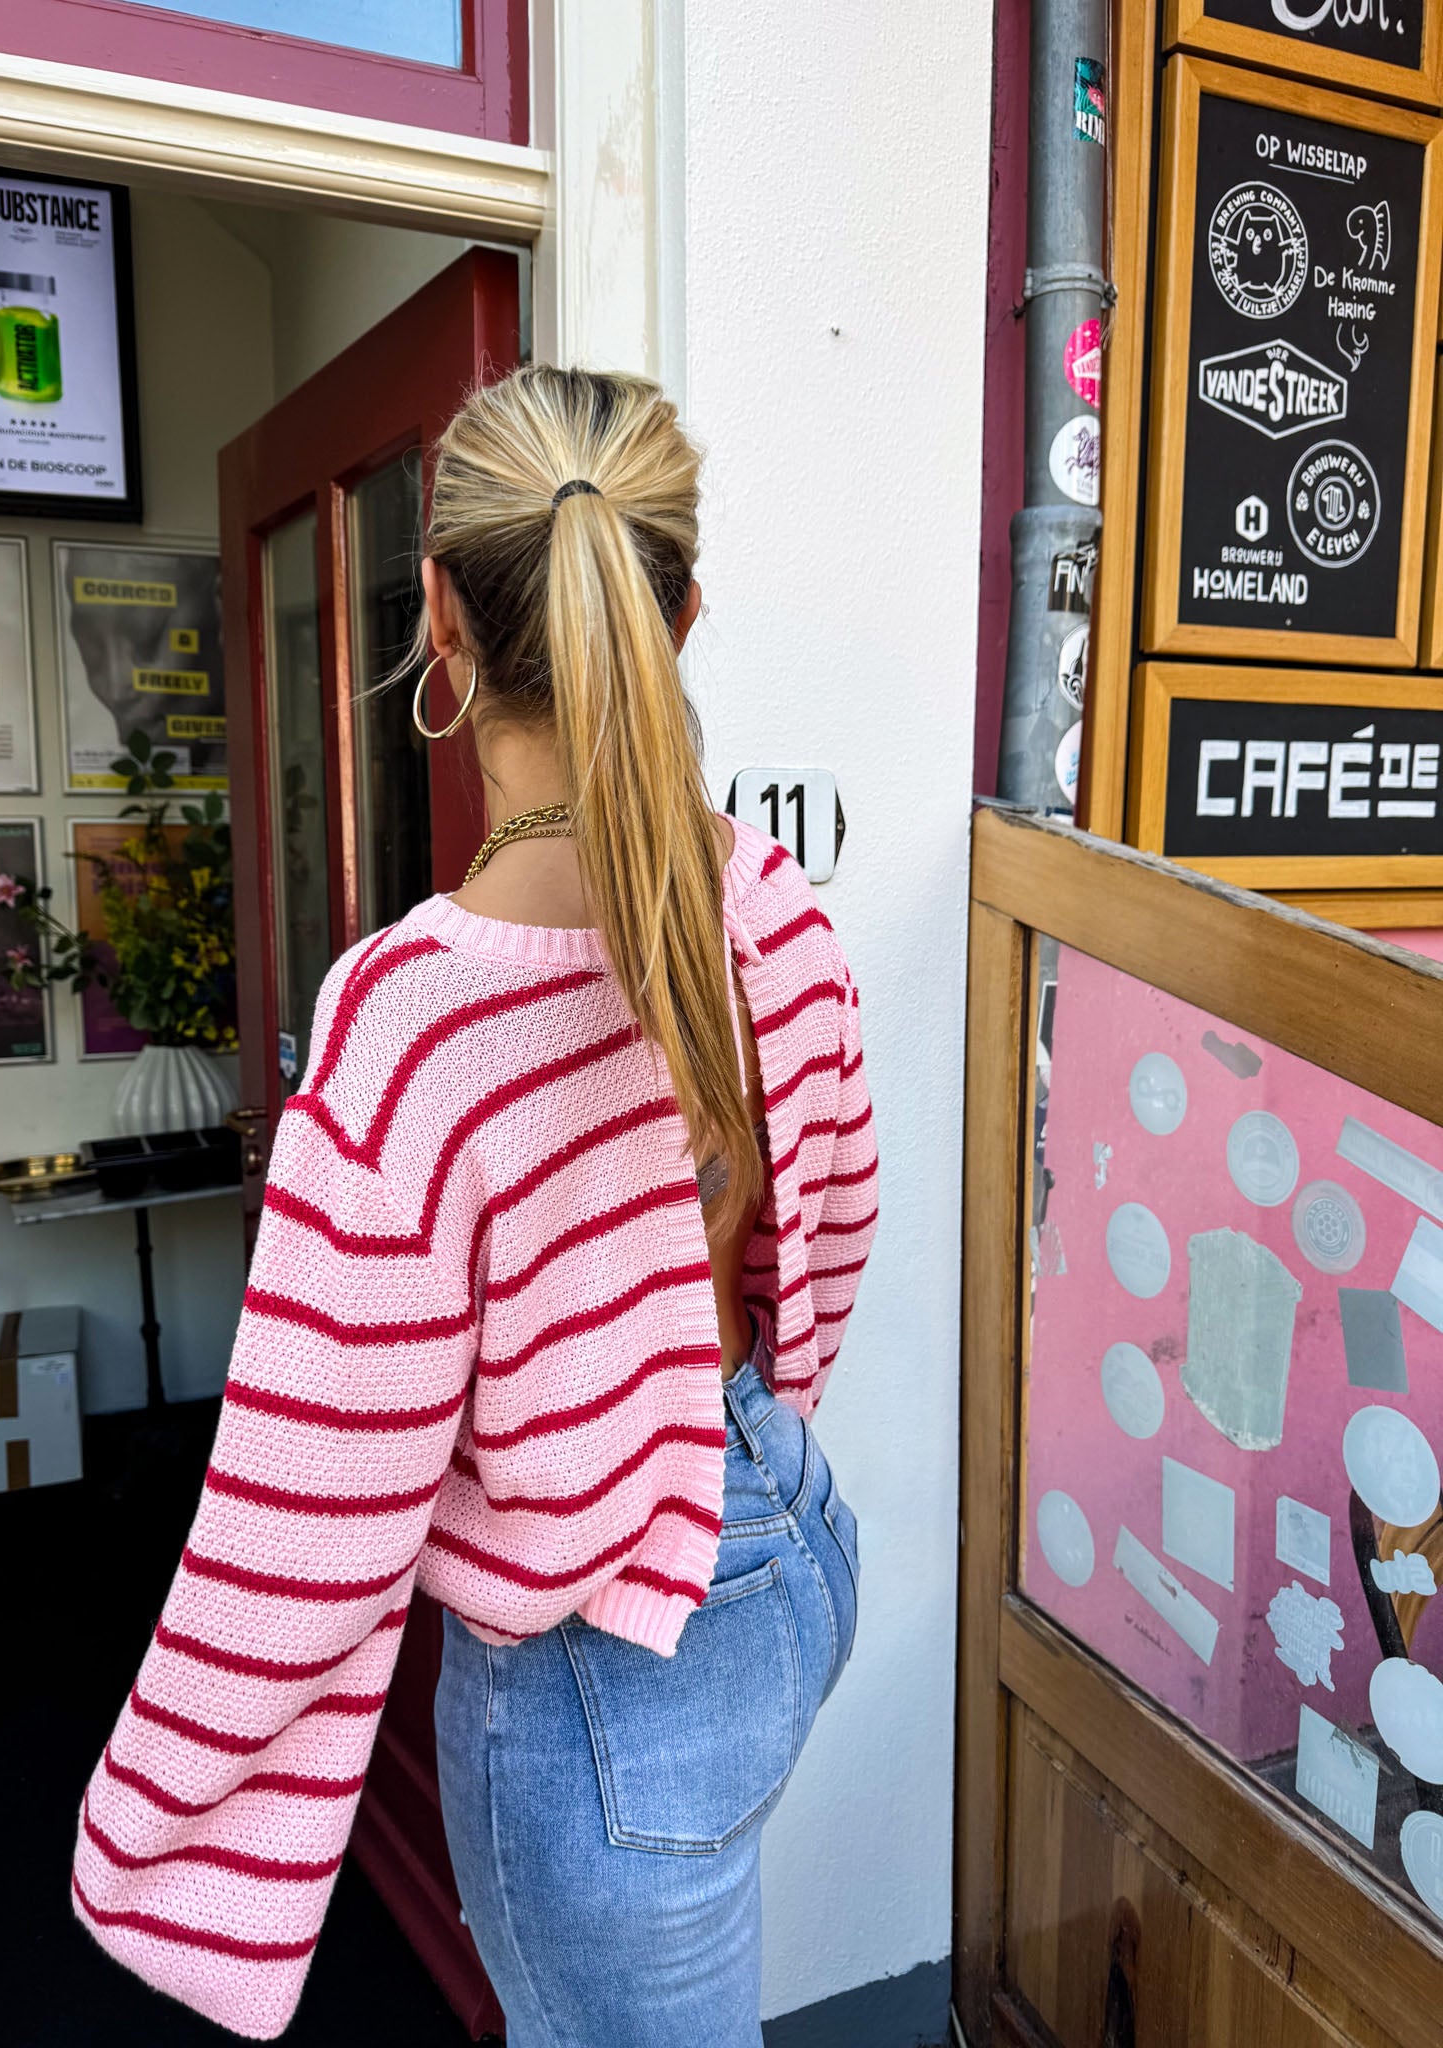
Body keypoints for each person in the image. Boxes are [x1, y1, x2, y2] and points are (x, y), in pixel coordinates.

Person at [70, 365, 878, 2046]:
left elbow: (311, 1510)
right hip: (784, 1554)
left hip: (598, 1679)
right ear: (684, 608)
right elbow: (830, 1240)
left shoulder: (413, 1019)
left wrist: (150, 1825)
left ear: (436, 609)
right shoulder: (775, 909)